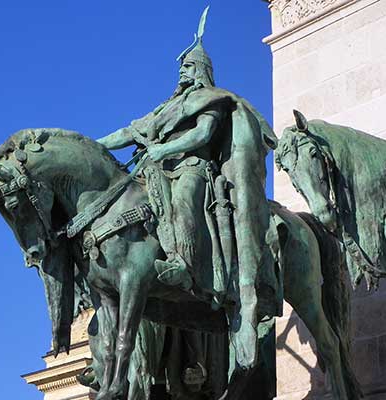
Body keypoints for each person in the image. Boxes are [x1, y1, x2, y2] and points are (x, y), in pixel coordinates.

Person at [97, 7, 277, 369]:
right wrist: (92, 149)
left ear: (202, 71)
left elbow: (204, 135)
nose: (183, 72)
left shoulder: (208, 99)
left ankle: (182, 261)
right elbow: (129, 132)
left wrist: (164, 148)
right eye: (182, 68)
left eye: (189, 67)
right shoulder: (166, 107)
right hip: (157, 171)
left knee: (184, 198)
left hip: (194, 169)